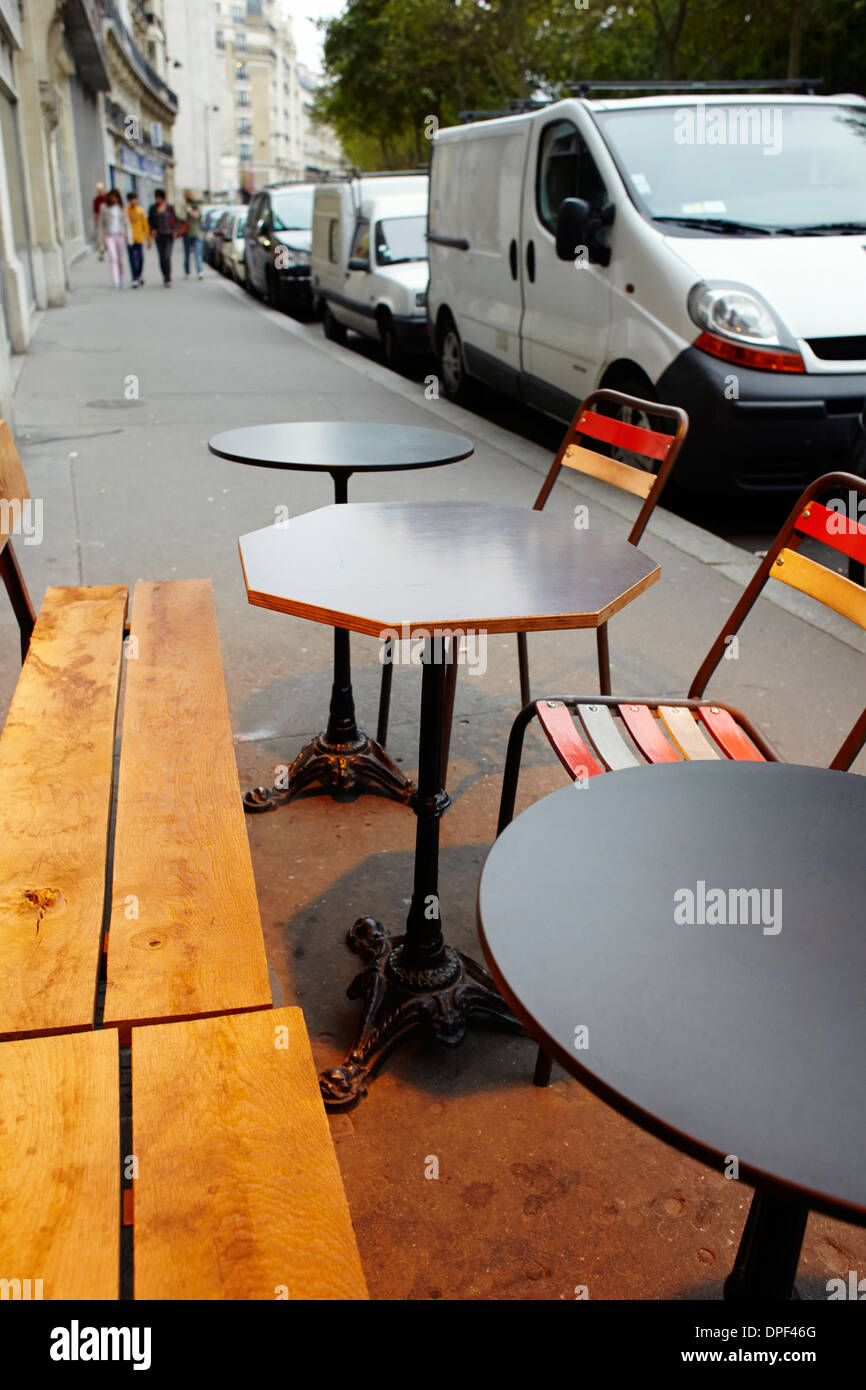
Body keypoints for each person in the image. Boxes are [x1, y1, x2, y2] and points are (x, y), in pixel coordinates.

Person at [97, 188, 131, 288]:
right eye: (112, 197)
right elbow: (101, 224)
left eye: (116, 197)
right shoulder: (104, 207)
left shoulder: (122, 208)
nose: (114, 199)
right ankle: (115, 280)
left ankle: (121, 279)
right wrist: (100, 240)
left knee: (120, 259)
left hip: (120, 235)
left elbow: (127, 223)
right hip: (109, 235)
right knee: (113, 258)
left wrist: (129, 237)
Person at [148, 187, 178, 287]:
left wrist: (175, 232)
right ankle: (165, 276)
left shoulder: (170, 208)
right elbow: (150, 221)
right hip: (159, 236)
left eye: (159, 197)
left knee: (167, 256)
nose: (157, 200)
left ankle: (168, 278)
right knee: (161, 257)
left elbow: (175, 220)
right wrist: (152, 229)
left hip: (169, 235)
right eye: (156, 198)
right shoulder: (153, 208)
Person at [126, 191, 151, 288]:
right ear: (129, 200)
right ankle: (134, 278)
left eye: (134, 199)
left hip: (139, 238)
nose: (133, 201)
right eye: (131, 200)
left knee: (140, 258)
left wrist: (148, 239)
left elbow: (145, 225)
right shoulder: (126, 211)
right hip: (130, 239)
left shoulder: (140, 211)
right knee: (132, 259)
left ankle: (139, 274)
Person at [181, 194, 204, 279]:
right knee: (198, 254)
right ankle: (200, 272)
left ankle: (187, 272)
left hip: (188, 233)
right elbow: (201, 221)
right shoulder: (198, 208)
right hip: (197, 233)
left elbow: (181, 217)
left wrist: (187, 211)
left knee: (187, 254)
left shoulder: (187, 207)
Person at [93, 182, 108, 259]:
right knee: (100, 237)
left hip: (108, 220)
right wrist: (95, 222)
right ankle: (102, 251)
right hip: (100, 220)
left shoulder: (108, 197)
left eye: (100, 189)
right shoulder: (96, 199)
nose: (99, 191)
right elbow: (95, 212)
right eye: (98, 190)